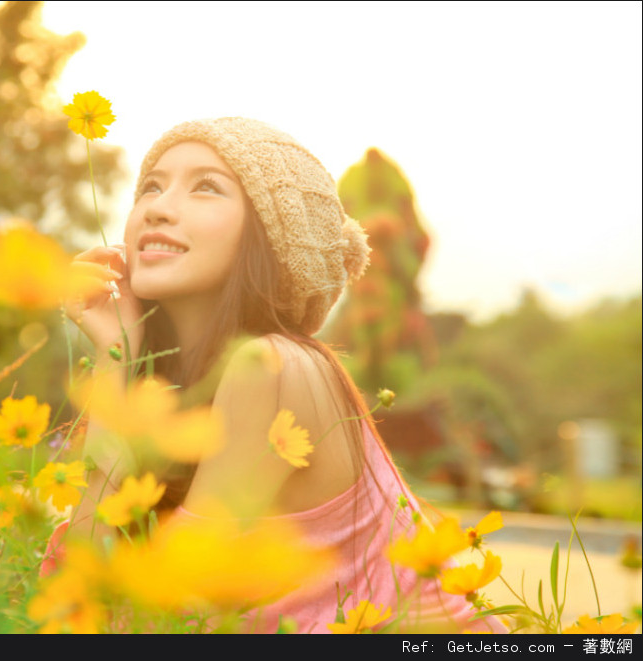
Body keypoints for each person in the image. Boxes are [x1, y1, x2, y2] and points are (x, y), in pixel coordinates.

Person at [60, 117, 504, 634]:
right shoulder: (173, 386)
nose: (157, 206)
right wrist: (117, 358)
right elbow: (80, 593)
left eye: (206, 187)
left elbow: (160, 613)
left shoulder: (271, 367)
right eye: (152, 186)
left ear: (276, 235)